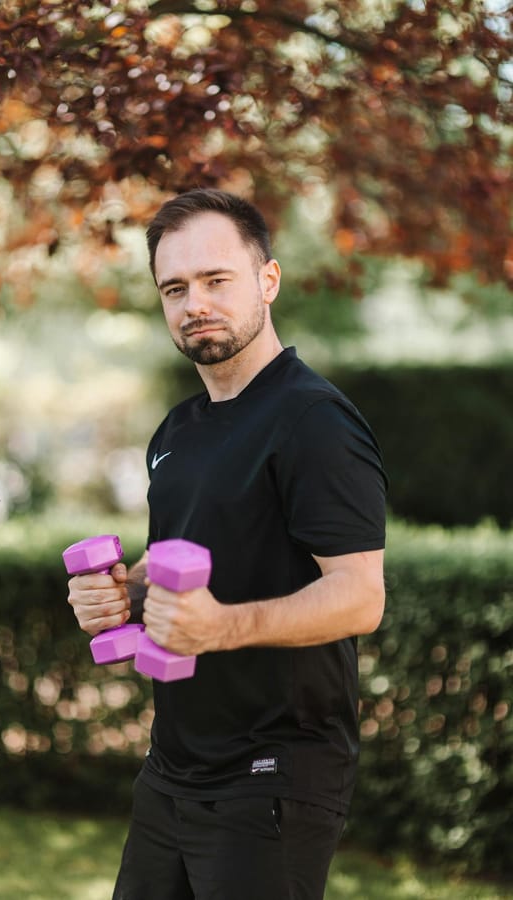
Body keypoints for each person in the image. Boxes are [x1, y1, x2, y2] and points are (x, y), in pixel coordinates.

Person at [67, 188, 387, 900]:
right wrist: (118, 596)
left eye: (217, 279)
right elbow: (175, 570)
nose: (195, 304)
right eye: (175, 288)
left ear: (268, 281)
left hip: (273, 772)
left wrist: (223, 628)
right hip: (173, 766)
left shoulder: (315, 421)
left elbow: (361, 597)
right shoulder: (177, 431)